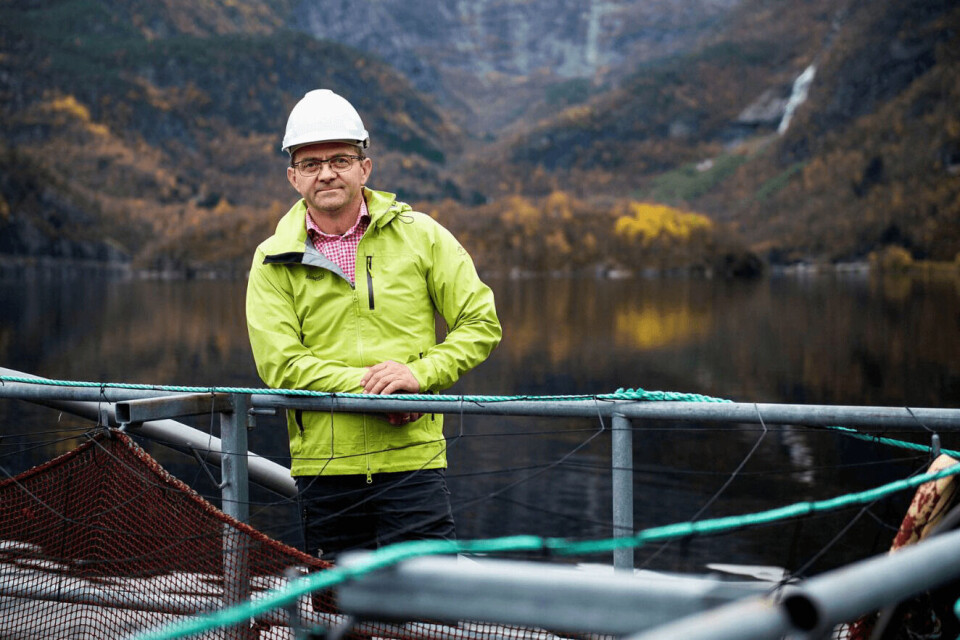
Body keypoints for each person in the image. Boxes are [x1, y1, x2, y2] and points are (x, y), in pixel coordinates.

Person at [245, 89, 501, 561]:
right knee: (338, 615)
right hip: (326, 469)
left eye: (340, 158)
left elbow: (479, 322)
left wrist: (418, 376)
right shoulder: (271, 259)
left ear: (365, 167)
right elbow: (281, 364)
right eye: (310, 162)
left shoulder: (421, 235)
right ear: (292, 177)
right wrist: (378, 390)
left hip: (413, 463)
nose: (326, 172)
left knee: (430, 613)